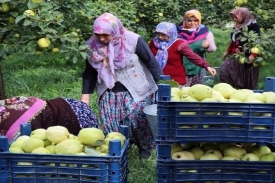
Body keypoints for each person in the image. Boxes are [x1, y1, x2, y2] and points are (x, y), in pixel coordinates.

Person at [0, 97, 99, 178]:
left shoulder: (9, 130)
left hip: (73, 118)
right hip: (67, 103)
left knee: (80, 157)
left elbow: (16, 162)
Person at [81, 13, 162, 159]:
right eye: (97, 34)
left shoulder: (133, 40)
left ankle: (144, 149)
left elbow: (151, 62)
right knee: (111, 125)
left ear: (114, 30)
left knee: (138, 121)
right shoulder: (91, 46)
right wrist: (85, 99)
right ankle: (119, 153)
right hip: (108, 91)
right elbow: (89, 73)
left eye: (105, 35)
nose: (101, 39)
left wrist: (164, 86)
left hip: (137, 89)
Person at [149, 22, 216, 86]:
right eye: (158, 34)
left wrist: (207, 66)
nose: (160, 37)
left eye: (163, 34)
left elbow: (193, 56)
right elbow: (147, 57)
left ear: (171, 33)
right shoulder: (154, 42)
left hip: (175, 80)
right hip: (156, 78)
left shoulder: (179, 44)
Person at [219, 7, 262, 90]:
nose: (234, 19)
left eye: (236, 17)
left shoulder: (253, 26)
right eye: (233, 18)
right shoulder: (236, 27)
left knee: (245, 81)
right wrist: (227, 51)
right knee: (225, 73)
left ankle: (245, 97)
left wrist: (253, 55)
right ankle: (229, 93)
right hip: (235, 55)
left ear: (244, 16)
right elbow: (234, 40)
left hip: (247, 57)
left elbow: (257, 43)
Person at [176, 10, 217, 86]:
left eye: (195, 20)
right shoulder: (177, 32)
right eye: (189, 20)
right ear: (185, 20)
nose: (192, 23)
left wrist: (208, 46)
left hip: (198, 67)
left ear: (199, 20)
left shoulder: (204, 31)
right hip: (182, 66)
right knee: (182, 91)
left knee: (197, 90)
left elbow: (213, 49)